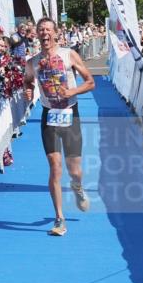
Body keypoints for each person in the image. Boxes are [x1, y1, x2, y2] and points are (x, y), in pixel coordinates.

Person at [24, 17, 96, 236]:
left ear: (55, 33)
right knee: (55, 167)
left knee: (75, 170)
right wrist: (28, 90)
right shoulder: (33, 62)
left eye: (48, 29)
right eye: (40, 30)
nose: (44, 33)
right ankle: (59, 219)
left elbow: (91, 82)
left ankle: (78, 186)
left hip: (70, 114)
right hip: (49, 116)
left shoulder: (69, 54)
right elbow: (28, 80)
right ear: (37, 34)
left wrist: (72, 92)